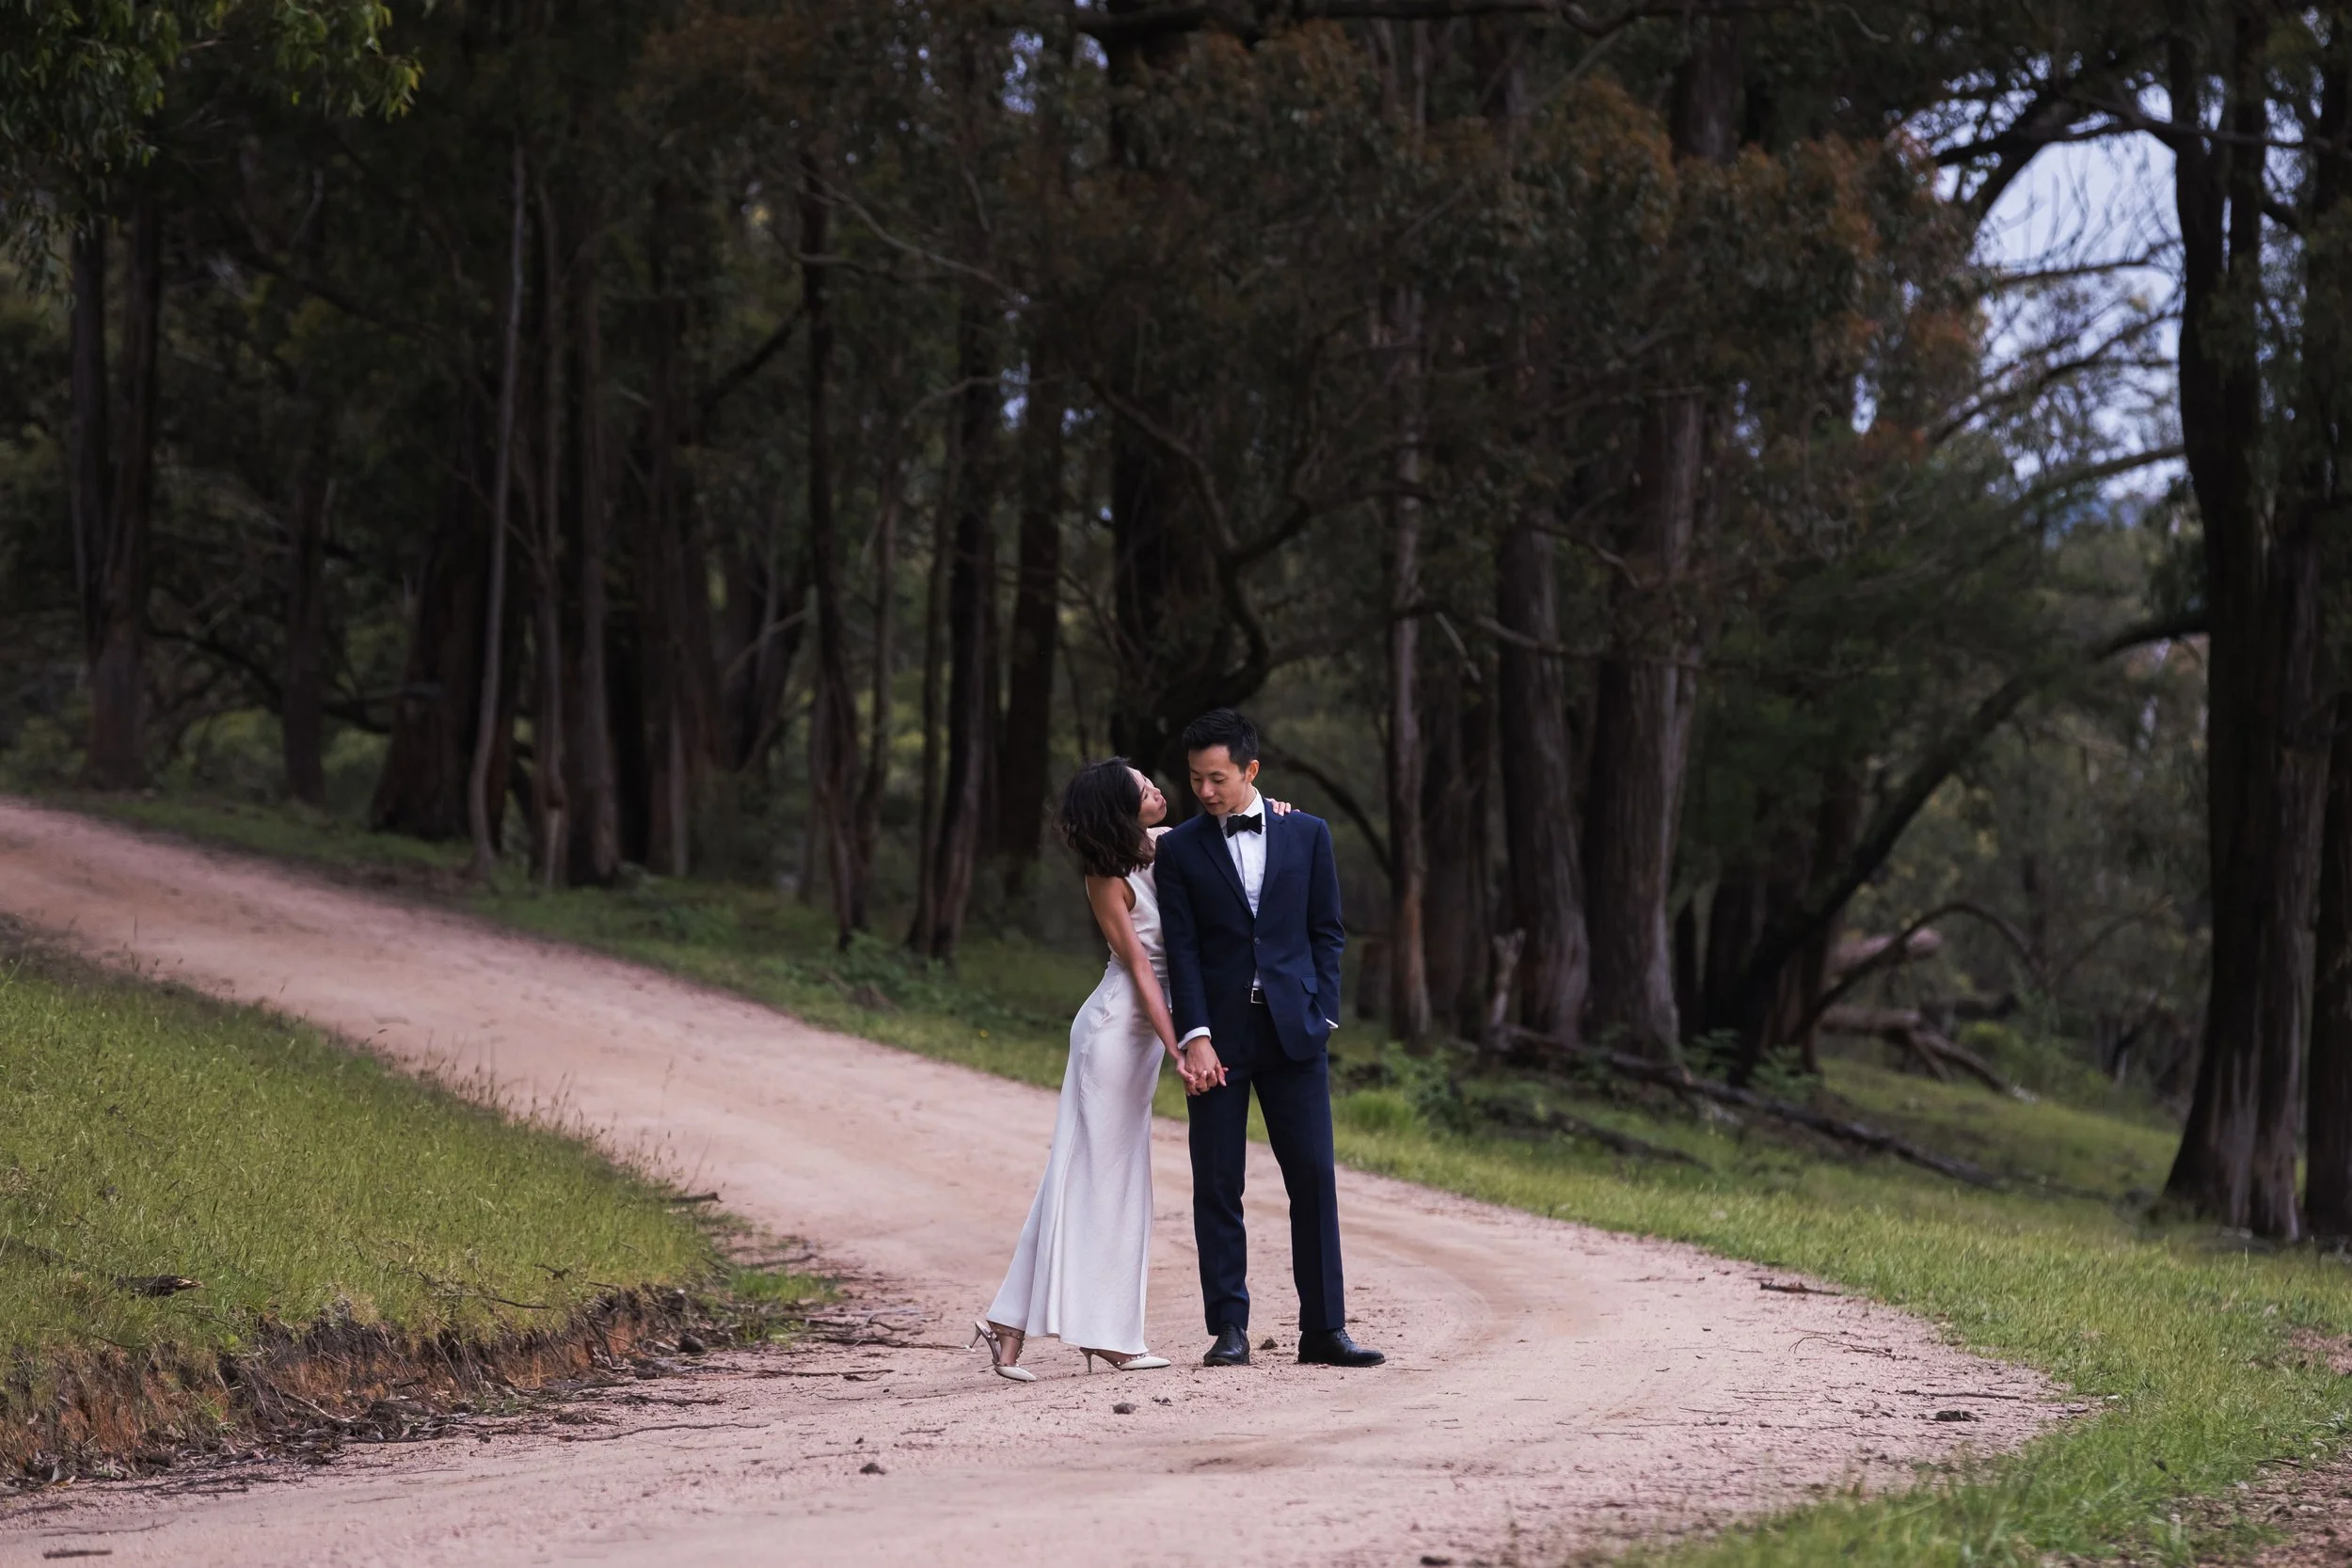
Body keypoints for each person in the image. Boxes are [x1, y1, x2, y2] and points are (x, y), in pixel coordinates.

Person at [1154, 708, 1386, 1369]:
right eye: (1196, 778)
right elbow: (1183, 950)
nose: (1205, 791)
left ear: (1251, 770)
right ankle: (1229, 1326)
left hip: (1295, 1032)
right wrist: (1194, 1034)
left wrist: (1325, 1013)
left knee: (1313, 1177)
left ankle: (1324, 1329)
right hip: (1217, 1039)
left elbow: (1327, 930)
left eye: (1218, 778)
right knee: (1219, 1181)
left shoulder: (1307, 833)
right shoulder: (1178, 849)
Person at [968, 760, 1187, 1381]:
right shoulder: (1105, 877)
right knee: (1105, 1180)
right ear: (1121, 810)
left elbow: (1235, 829)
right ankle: (1110, 1335)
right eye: (1141, 789)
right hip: (1117, 1031)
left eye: (1149, 780)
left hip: (1144, 1033)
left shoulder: (1173, 845)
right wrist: (1178, 1045)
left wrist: (1276, 811)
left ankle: (1008, 1323)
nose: (1156, 789)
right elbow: (1143, 969)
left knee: (1080, 1176)